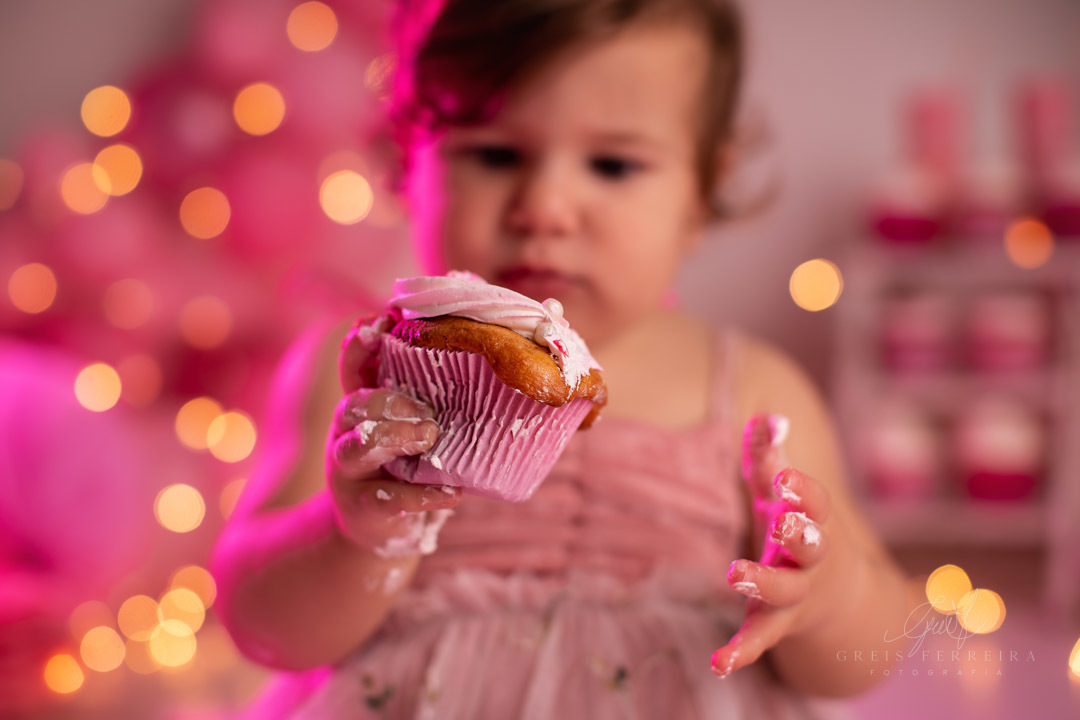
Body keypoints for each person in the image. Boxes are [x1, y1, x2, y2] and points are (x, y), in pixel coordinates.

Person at [210, 0, 924, 716]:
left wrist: (828, 600)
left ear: (701, 193)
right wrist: (352, 534)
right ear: (406, 167)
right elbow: (261, 623)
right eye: (494, 153)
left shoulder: (754, 390)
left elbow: (872, 650)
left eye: (612, 164)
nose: (546, 206)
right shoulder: (358, 372)